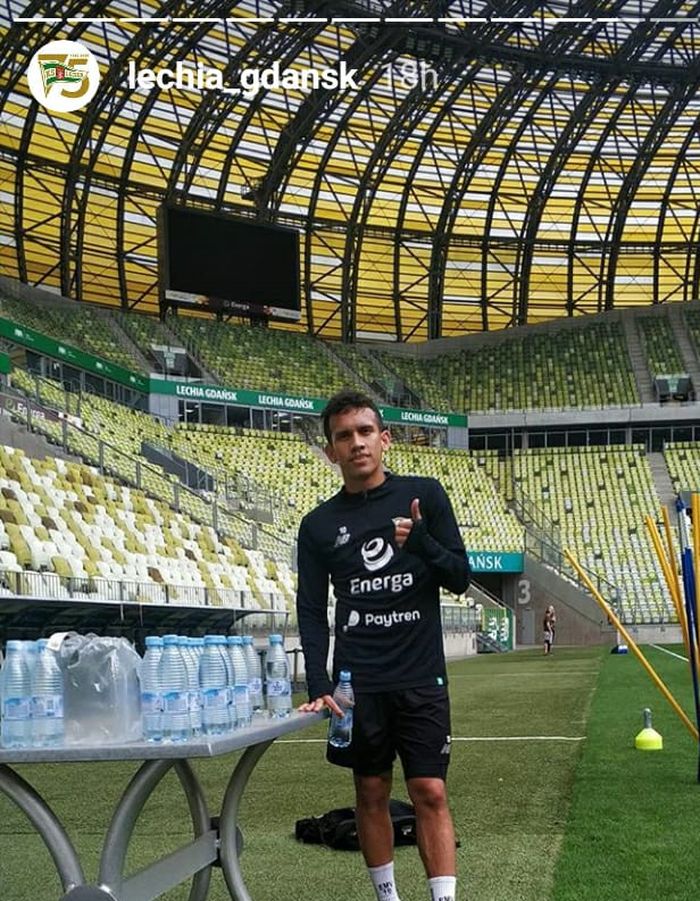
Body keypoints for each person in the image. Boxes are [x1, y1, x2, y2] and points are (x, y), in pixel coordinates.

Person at [296, 389, 470, 901]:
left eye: (365, 431)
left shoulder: (425, 496)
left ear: (385, 439)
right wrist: (319, 681)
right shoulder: (318, 525)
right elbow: (311, 608)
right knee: (370, 792)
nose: (356, 443)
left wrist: (422, 543)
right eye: (344, 436)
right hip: (359, 683)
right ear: (331, 451)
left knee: (429, 791)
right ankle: (387, 897)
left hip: (420, 675)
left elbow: (459, 577)